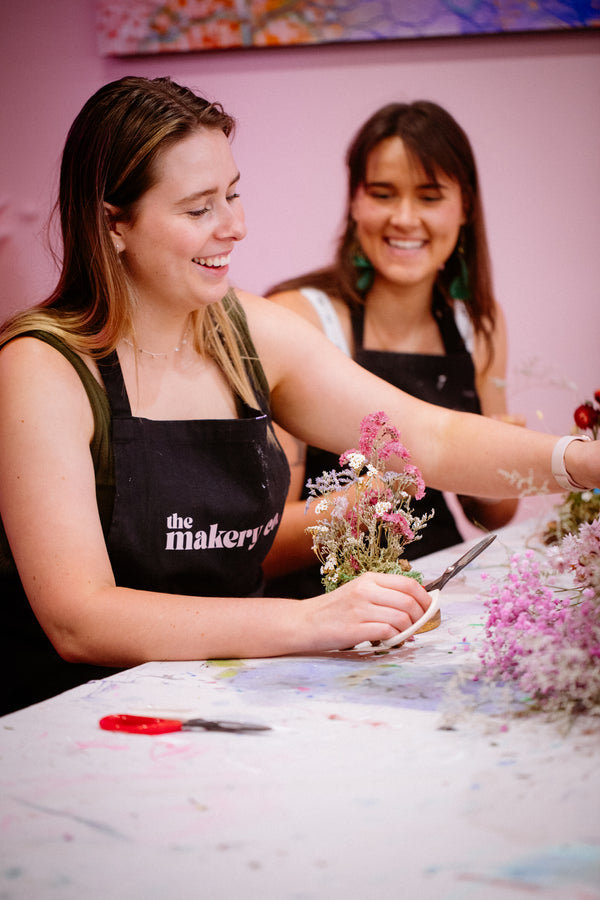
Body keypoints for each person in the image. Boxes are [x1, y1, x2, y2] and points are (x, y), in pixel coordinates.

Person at [0, 77, 597, 716]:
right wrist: (312, 621)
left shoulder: (248, 334)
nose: (235, 227)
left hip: (221, 691)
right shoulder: (42, 367)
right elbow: (81, 620)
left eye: (233, 195)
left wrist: (581, 462)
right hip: (70, 714)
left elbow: (428, 438)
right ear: (113, 222)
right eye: (200, 209)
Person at [264, 101, 524, 598]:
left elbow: (492, 512)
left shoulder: (479, 325)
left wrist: (496, 453)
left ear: (465, 206)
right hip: (320, 600)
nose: (405, 219)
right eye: (383, 194)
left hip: (436, 583)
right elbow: (265, 539)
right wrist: (373, 497)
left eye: (430, 197)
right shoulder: (299, 317)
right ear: (355, 202)